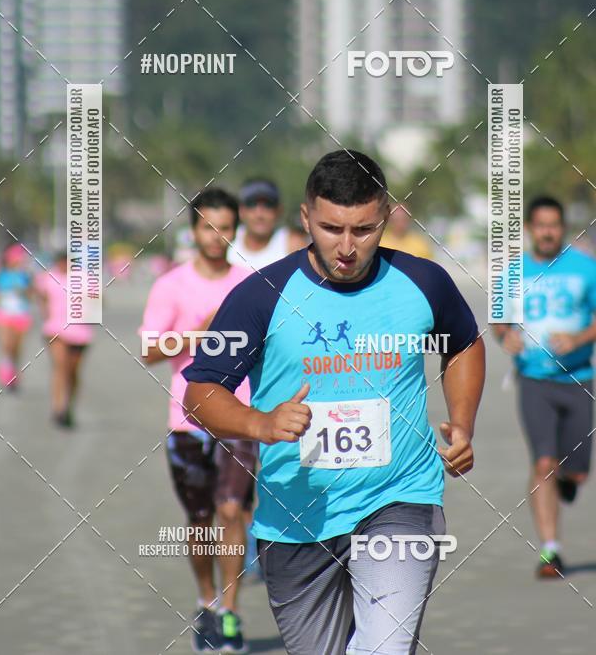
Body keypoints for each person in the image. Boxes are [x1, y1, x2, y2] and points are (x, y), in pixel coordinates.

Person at [183, 150, 485, 655]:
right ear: (305, 219)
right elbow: (200, 392)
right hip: (294, 518)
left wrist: (463, 423)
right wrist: (260, 423)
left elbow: (464, 344)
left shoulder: (424, 282)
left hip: (399, 498)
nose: (347, 247)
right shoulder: (260, 296)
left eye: (364, 230)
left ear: (385, 219)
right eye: (331, 228)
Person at [140, 188, 253, 653]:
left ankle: (229, 612)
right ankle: (205, 602)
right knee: (201, 519)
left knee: (231, 510)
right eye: (208, 227)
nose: (216, 236)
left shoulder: (251, 283)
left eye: (225, 227)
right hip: (187, 420)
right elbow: (148, 349)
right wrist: (196, 336)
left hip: (241, 416)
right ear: (193, 231)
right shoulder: (171, 285)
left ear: (235, 231)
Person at [493, 196, 596, 579]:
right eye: (541, 224)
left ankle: (571, 480)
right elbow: (498, 324)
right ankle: (550, 551)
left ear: (563, 227)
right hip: (534, 381)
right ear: (530, 228)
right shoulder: (511, 274)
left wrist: (581, 337)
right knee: (543, 463)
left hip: (579, 378)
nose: (548, 231)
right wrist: (506, 338)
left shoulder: (586, 270)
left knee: (577, 472)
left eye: (555, 224)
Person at [34, 253, 94, 428]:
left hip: (80, 331)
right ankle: (58, 407)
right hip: (55, 329)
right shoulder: (47, 278)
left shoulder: (84, 278)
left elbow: (98, 302)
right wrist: (45, 313)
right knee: (60, 367)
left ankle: (69, 406)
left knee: (72, 372)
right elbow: (41, 298)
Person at [228, 179, 293, 270]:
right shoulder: (227, 238)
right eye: (251, 204)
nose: (259, 214)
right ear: (241, 210)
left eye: (268, 205)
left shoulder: (291, 245)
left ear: (279, 211)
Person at [0, 243, 33, 390]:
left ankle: (14, 375)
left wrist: (24, 291)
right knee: (7, 346)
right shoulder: (0, 275)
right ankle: (5, 373)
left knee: (17, 349)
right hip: (4, 314)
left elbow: (30, 295)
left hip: (21, 314)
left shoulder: (25, 276)